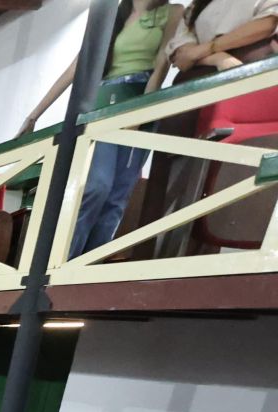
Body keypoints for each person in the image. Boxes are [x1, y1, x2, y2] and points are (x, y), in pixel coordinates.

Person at [20, 0, 184, 255]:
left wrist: (138, 116)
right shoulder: (112, 14)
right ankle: (63, 261)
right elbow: (79, 64)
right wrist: (34, 115)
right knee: (97, 186)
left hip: (142, 100)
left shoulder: (172, 12)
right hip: (106, 103)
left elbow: (161, 66)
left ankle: (88, 264)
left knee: (118, 197)